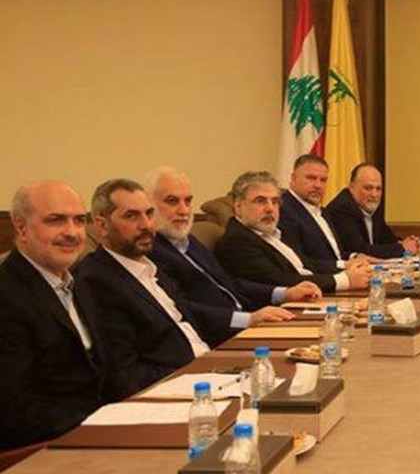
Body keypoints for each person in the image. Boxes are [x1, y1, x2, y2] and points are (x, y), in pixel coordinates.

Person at [0, 181, 122, 448]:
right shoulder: (6, 295)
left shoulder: (77, 284)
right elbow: (13, 411)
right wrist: (99, 425)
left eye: (79, 220)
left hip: (98, 430)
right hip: (41, 450)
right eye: (55, 220)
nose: (72, 232)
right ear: (21, 227)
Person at [144, 167, 318, 346]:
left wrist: (284, 293)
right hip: (218, 337)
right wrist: (248, 319)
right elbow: (182, 309)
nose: (184, 210)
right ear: (148, 206)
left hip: (246, 323)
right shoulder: (150, 252)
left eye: (188, 201)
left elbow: (230, 284)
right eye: (172, 201)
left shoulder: (189, 241)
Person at [76, 179, 215, 392]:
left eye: (149, 214)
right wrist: (195, 376)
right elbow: (125, 373)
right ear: (102, 226)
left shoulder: (150, 265)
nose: (147, 225)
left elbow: (189, 318)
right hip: (182, 386)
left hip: (211, 366)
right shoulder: (97, 280)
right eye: (132, 216)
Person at [216, 171, 372, 294]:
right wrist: (344, 280)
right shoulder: (237, 241)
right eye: (260, 201)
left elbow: (306, 265)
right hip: (280, 312)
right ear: (238, 206)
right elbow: (281, 281)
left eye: (275, 202)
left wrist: (347, 268)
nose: (270, 209)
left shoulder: (271, 232)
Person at [279, 155, 371, 273]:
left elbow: (333, 254)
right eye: (311, 178)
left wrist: (354, 257)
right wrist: (344, 264)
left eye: (323, 180)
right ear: (293, 178)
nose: (318, 185)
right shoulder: (284, 210)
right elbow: (299, 263)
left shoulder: (323, 211)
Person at [323, 163, 419, 259]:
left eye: (378, 189)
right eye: (368, 188)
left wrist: (407, 243)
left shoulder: (371, 206)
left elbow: (387, 239)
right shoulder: (342, 209)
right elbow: (359, 249)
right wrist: (402, 248)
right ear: (352, 188)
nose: (374, 194)